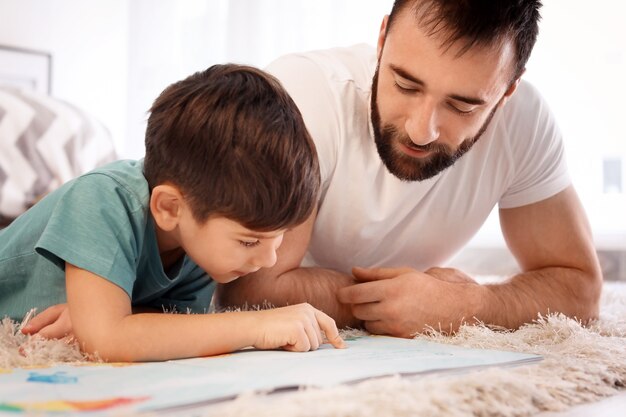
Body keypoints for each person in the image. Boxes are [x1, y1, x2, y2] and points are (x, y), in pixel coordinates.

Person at [216, 0, 603, 337]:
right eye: (405, 84)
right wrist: (407, 304)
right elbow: (250, 289)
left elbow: (580, 289)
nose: (421, 130)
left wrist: (472, 306)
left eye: (462, 106)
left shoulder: (524, 122)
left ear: (506, 93)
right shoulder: (301, 95)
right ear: (382, 38)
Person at [0, 64, 345, 361]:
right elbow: (106, 341)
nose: (270, 260)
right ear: (168, 208)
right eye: (250, 240)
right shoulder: (102, 199)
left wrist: (105, 321)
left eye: (278, 237)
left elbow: (173, 327)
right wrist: (256, 324)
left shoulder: (200, 245)